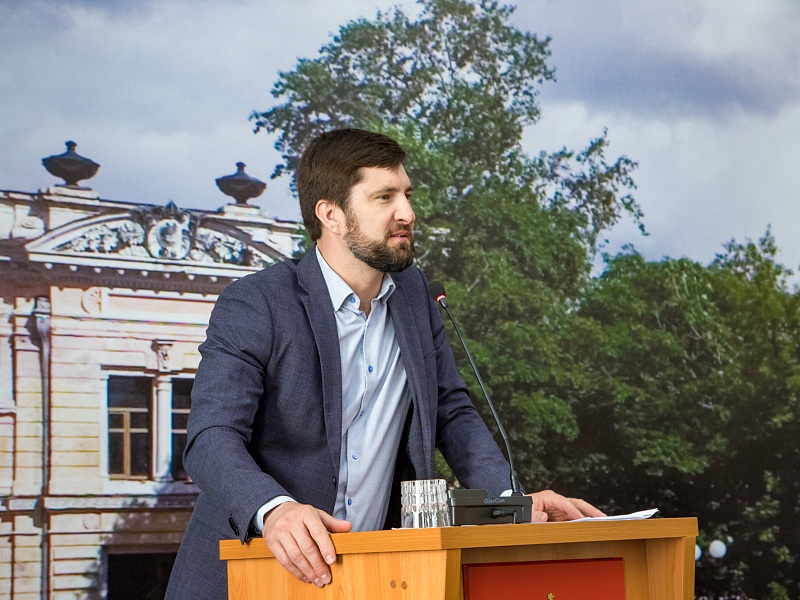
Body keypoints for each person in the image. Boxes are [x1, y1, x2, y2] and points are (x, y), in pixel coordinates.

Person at [165, 128, 603, 599]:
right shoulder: (257, 303)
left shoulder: (415, 295)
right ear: (331, 215)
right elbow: (211, 437)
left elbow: (451, 412)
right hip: (249, 575)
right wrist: (274, 509)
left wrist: (510, 503)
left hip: (374, 576)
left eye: (407, 195)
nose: (407, 213)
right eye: (384, 197)